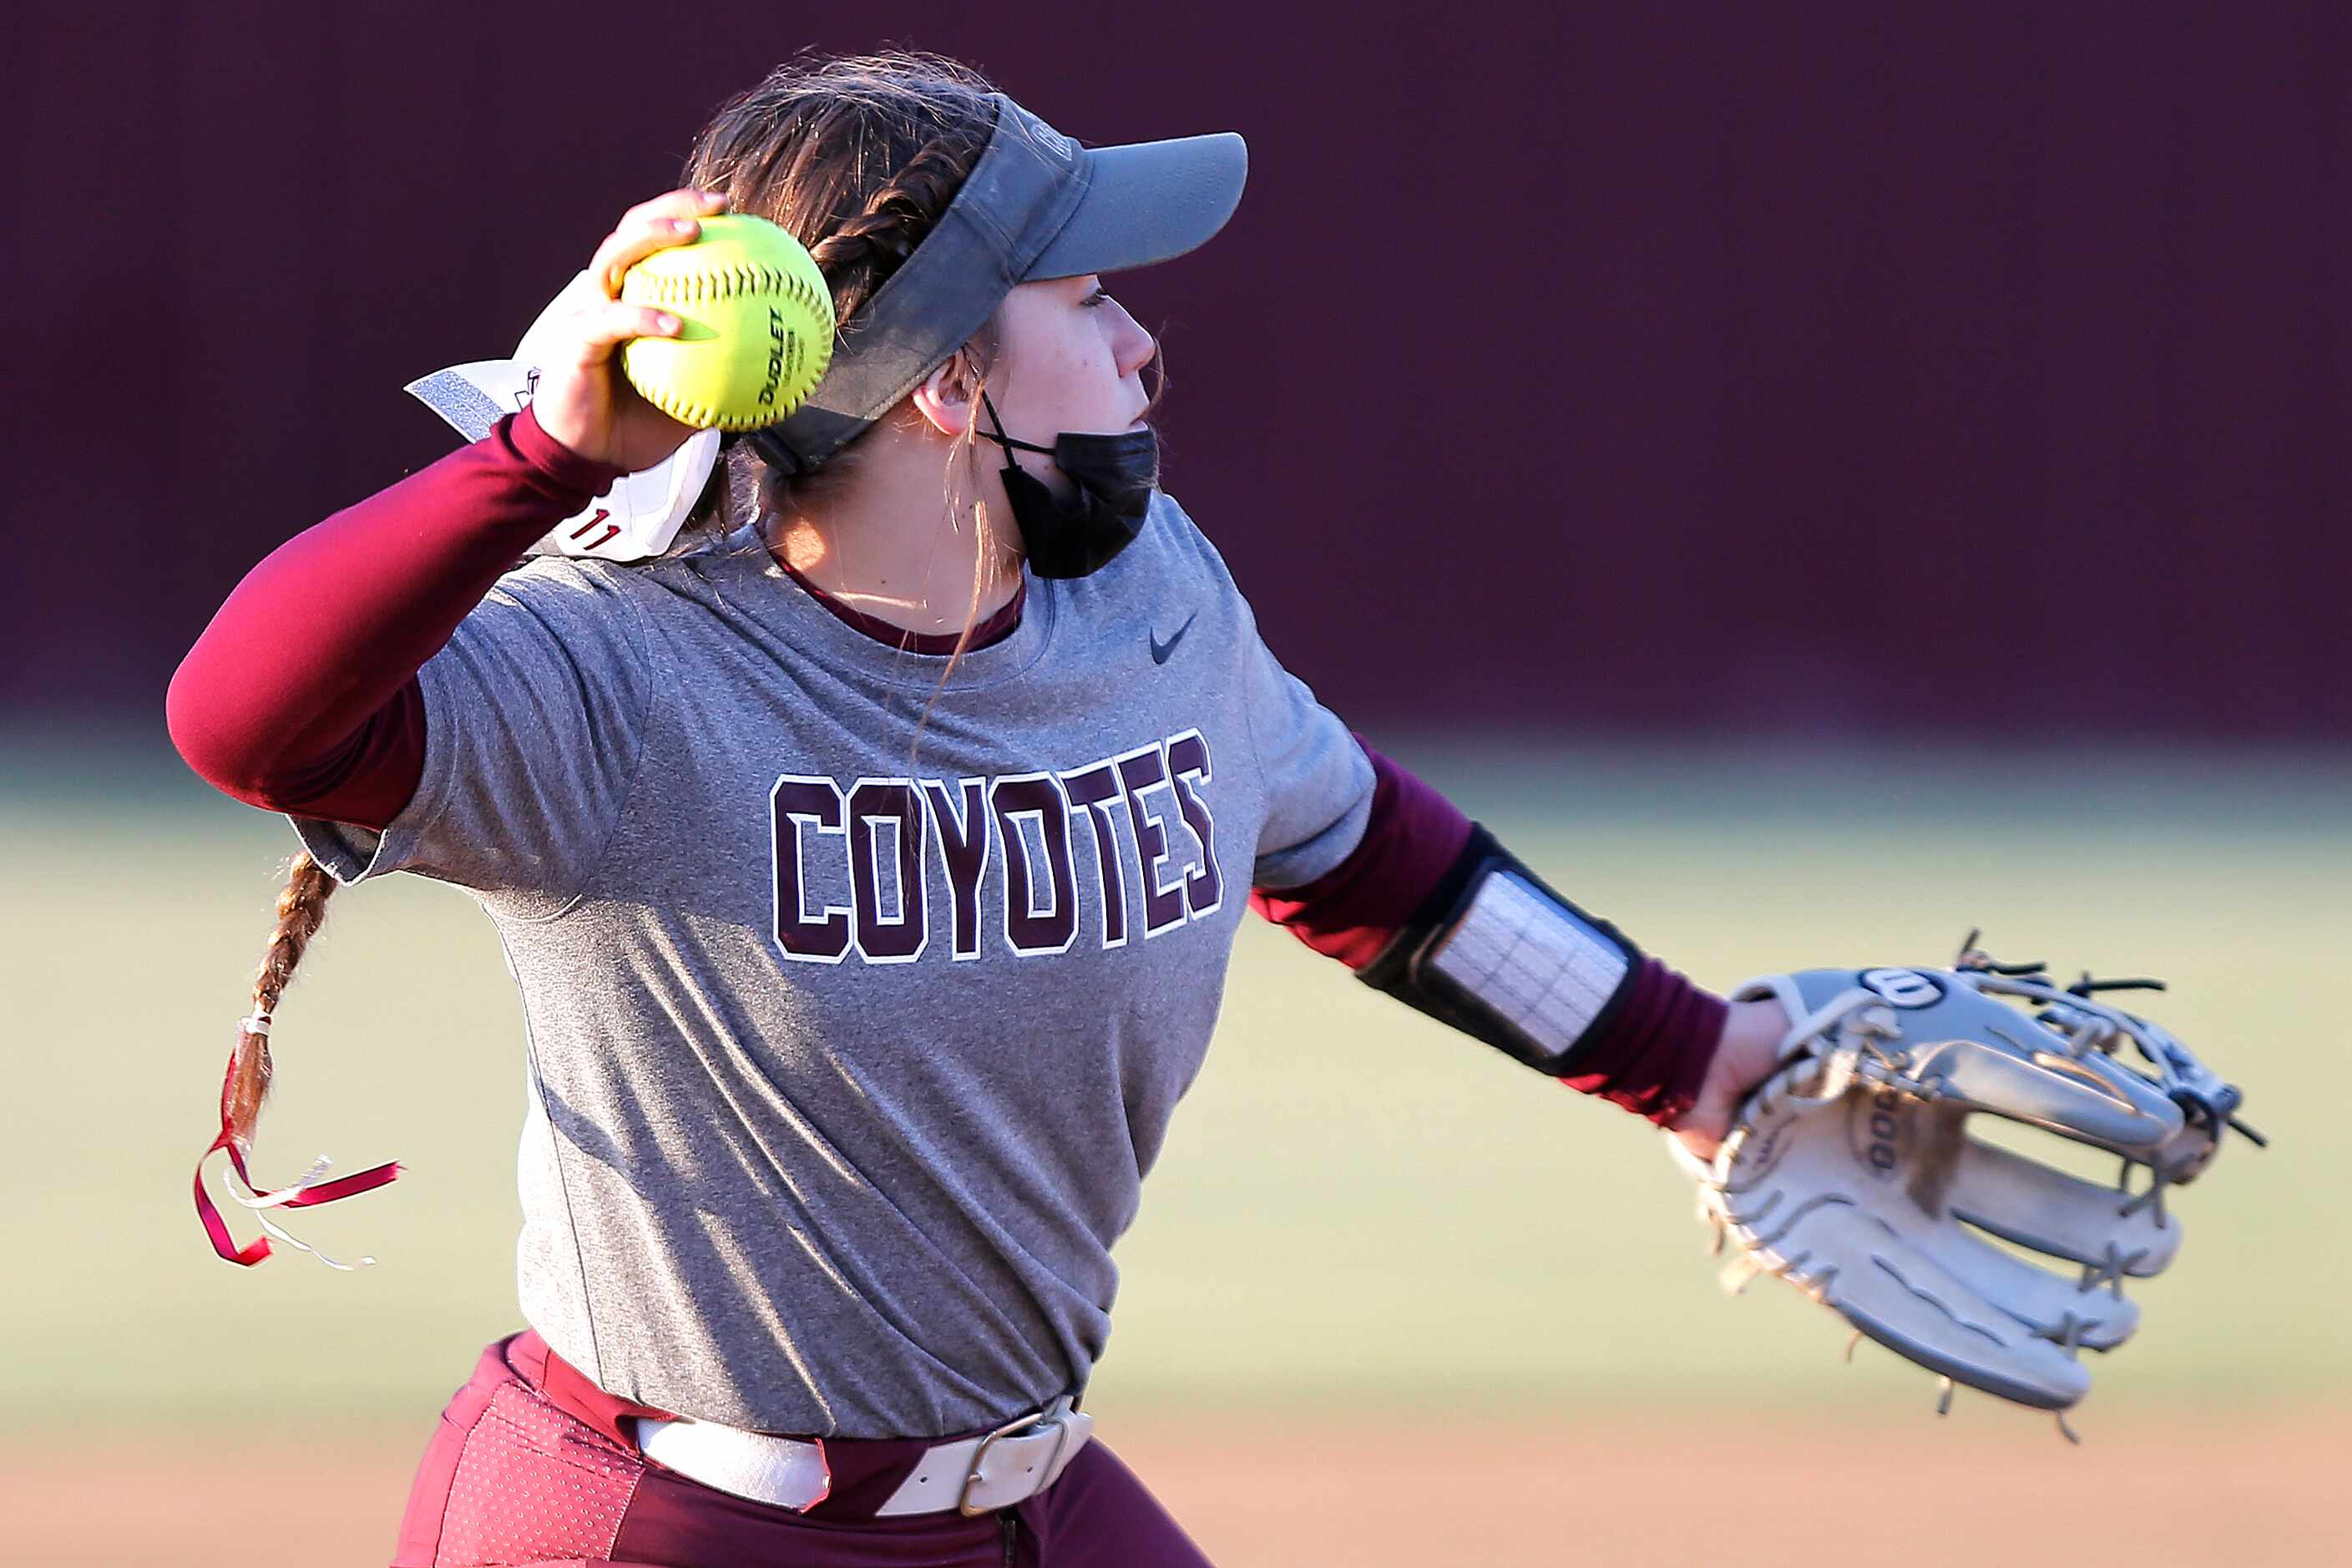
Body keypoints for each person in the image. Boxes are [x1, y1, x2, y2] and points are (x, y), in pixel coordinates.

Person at [168, 48, 1788, 1568]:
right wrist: (539, 460)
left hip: (1025, 1497)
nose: (1142, 344)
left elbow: (1363, 854)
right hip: (669, 1521)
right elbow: (242, 719)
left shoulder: (1143, 599)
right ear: (947, 386)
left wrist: (1689, 1065)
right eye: (1085, 302)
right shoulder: (628, 677)